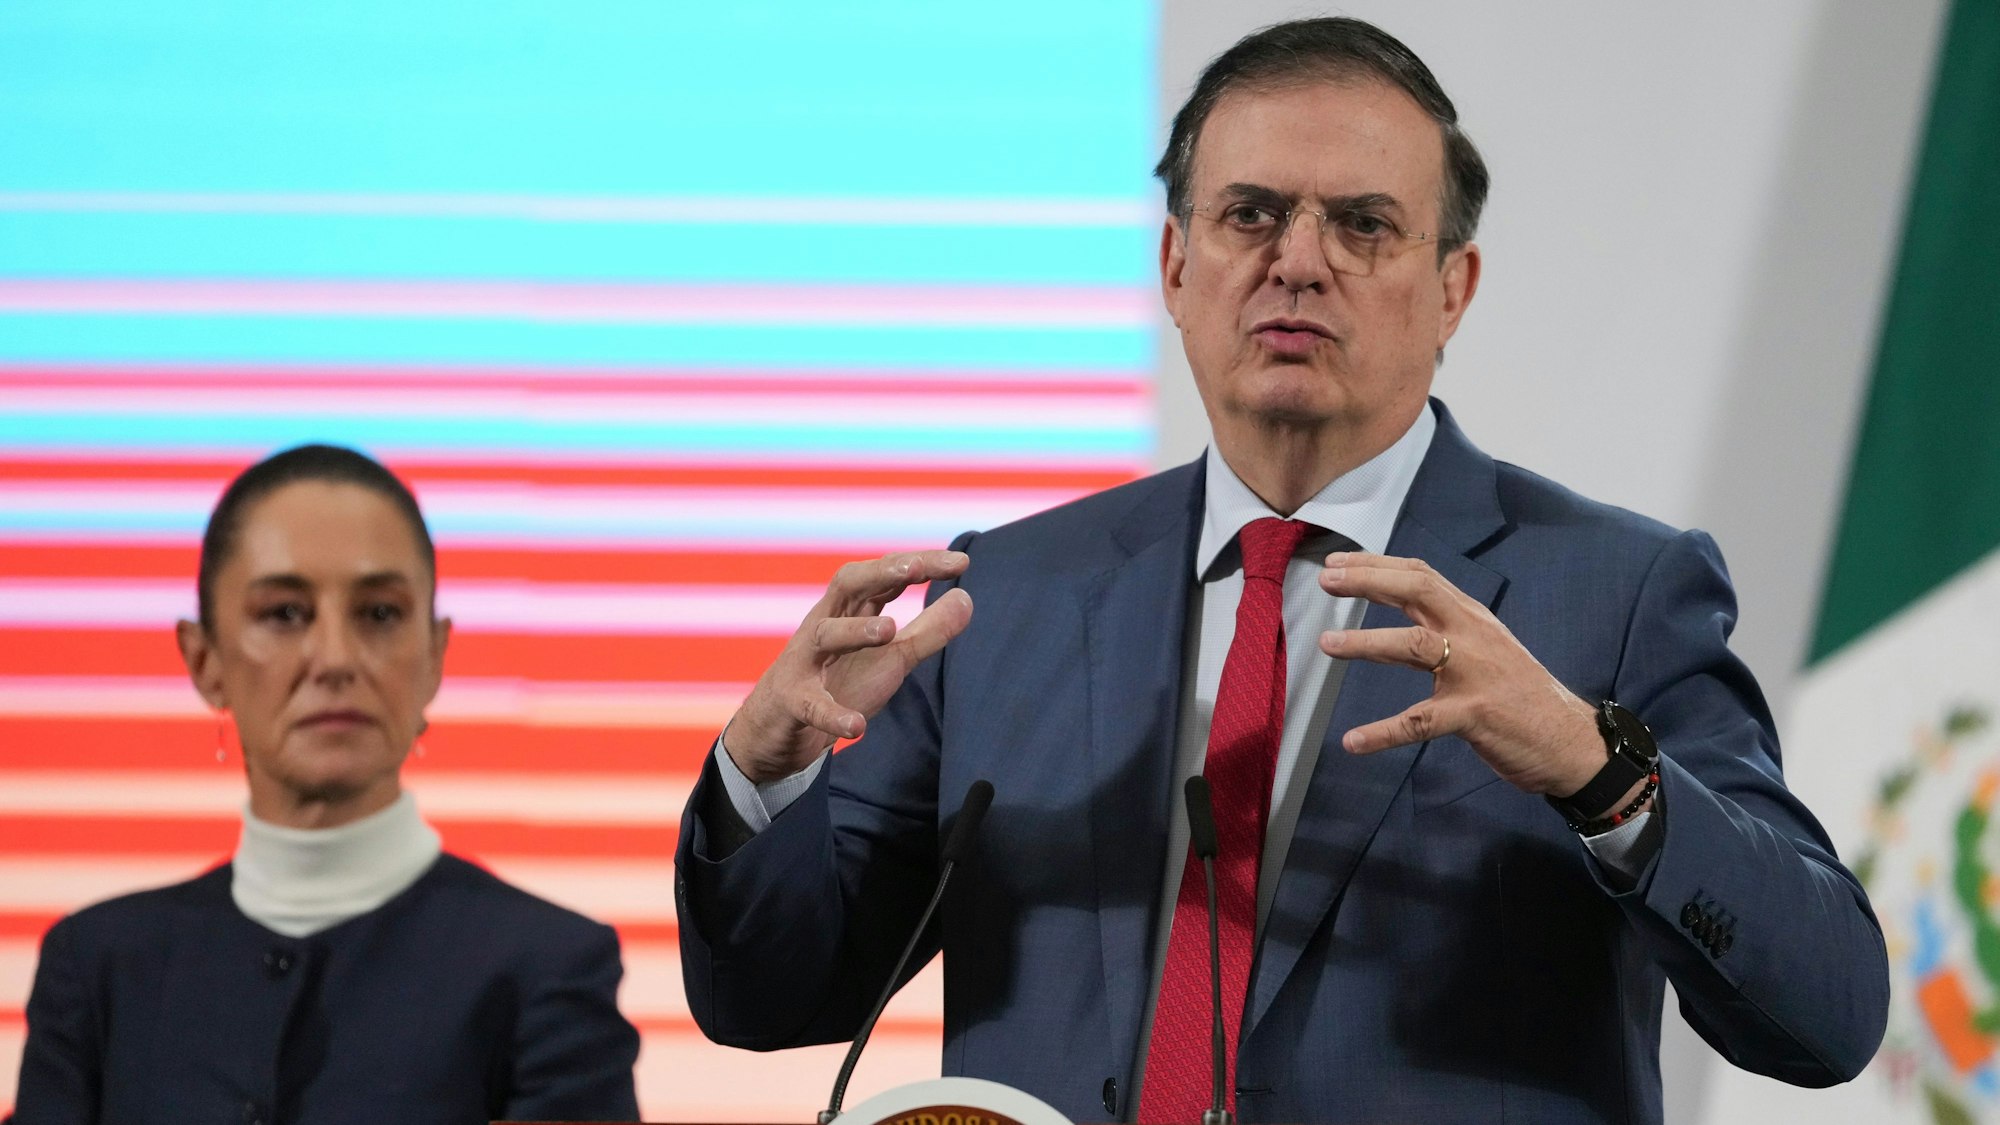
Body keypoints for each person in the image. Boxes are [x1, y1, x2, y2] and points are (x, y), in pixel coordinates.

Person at [674, 18, 1889, 1125]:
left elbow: (1824, 1015)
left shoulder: (1613, 591)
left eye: (1361, 224)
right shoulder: (1004, 598)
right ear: (1174, 268)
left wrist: (1594, 769)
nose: (1296, 263)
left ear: (1449, 288)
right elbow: (773, 1000)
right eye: (1248, 215)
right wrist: (759, 776)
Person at [8, 445, 640, 1125]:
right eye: (283, 612)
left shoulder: (547, 967)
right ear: (203, 659)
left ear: (435, 655)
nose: (335, 658)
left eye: (379, 614)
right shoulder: (99, 968)